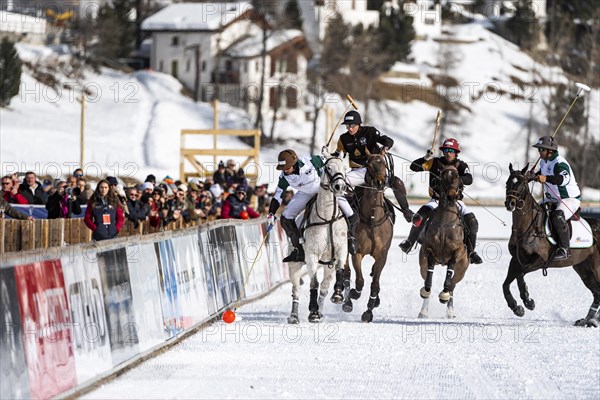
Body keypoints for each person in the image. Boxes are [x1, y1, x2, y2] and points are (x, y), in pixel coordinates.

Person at [399, 138, 483, 264]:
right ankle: (409, 242)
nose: (448, 153)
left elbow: (469, 179)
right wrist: (425, 158)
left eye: (451, 151)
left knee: (472, 222)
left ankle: (471, 252)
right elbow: (413, 167)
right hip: (436, 200)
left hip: (455, 201)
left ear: (456, 153)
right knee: (418, 217)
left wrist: (455, 177)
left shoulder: (461, 165)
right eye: (446, 150)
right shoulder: (434, 163)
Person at [268, 149, 359, 263]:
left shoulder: (310, 160)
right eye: (283, 169)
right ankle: (299, 249)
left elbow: (329, 160)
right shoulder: (284, 177)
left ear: (294, 163)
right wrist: (271, 213)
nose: (285, 171)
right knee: (286, 218)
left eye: (287, 168)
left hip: (326, 189)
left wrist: (335, 154)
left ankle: (351, 239)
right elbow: (278, 195)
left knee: (351, 214)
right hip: (305, 193)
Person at [334, 110, 414, 223]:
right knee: (341, 185)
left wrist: (385, 147)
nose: (350, 129)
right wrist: (328, 154)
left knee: (397, 183)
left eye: (352, 126)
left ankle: (406, 211)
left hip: (376, 170)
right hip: (357, 172)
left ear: (358, 124)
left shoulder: (369, 131)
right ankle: (347, 220)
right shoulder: (343, 139)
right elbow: (338, 155)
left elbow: (388, 140)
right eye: (347, 126)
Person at [527, 135, 580, 261]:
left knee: (557, 216)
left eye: (542, 150)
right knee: (533, 211)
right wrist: (531, 176)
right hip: (552, 198)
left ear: (551, 151)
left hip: (568, 199)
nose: (539, 152)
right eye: (539, 150)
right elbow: (541, 174)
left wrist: (545, 178)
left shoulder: (560, 163)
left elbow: (563, 180)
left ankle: (565, 249)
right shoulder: (544, 161)